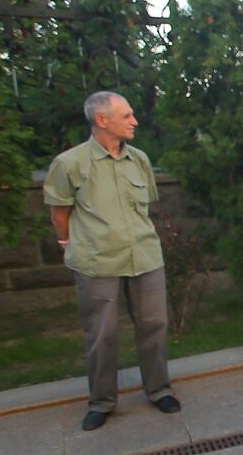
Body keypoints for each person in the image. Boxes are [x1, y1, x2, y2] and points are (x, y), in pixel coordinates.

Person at [44, 91, 180, 431]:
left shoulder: (140, 160)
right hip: (96, 261)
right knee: (101, 334)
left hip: (145, 256)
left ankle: (159, 390)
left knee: (154, 326)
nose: (134, 121)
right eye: (127, 115)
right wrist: (67, 243)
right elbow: (59, 213)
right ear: (102, 120)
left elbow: (145, 204)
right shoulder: (69, 164)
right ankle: (102, 402)